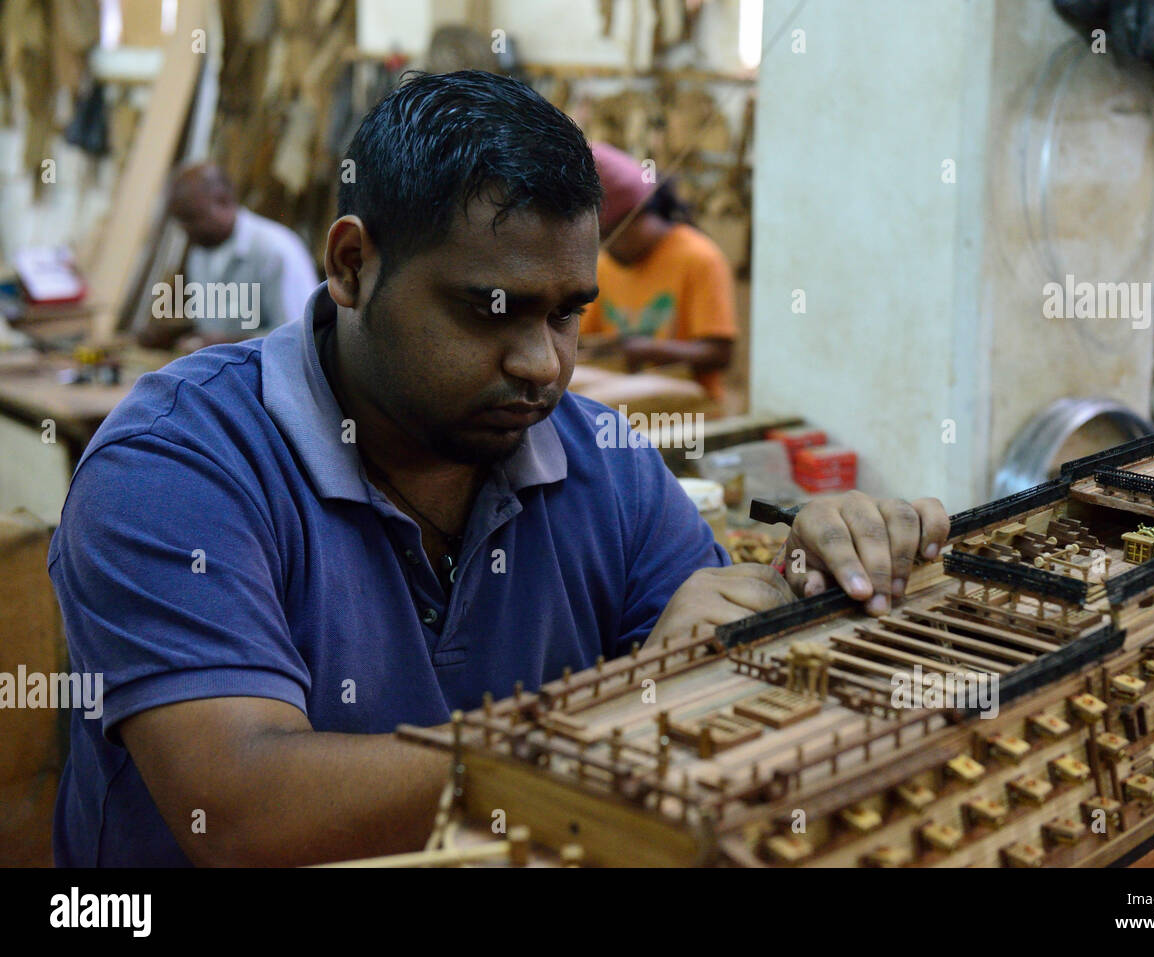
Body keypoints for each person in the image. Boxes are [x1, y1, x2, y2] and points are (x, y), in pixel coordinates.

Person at [50, 71, 947, 867]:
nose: (543, 364)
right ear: (353, 266)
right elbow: (242, 813)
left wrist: (824, 592)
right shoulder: (177, 467)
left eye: (565, 313)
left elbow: (712, 693)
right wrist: (610, 721)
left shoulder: (607, 462)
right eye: (493, 309)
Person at [581, 142, 737, 402]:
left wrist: (644, 350)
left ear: (635, 218)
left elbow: (720, 354)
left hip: (692, 399)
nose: (605, 248)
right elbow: (586, 340)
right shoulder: (606, 265)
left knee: (597, 409)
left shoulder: (699, 257)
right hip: (621, 383)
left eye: (608, 237)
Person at [138, 162, 320, 351]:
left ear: (223, 200)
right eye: (180, 220)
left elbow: (299, 338)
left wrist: (225, 345)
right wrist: (176, 334)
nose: (186, 230)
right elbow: (218, 324)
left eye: (192, 218)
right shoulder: (200, 252)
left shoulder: (275, 251)